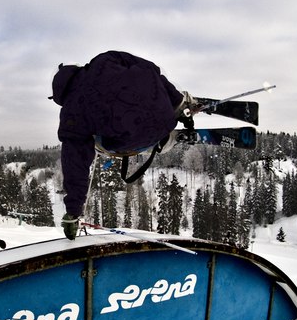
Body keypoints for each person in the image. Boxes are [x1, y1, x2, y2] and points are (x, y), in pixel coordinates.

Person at [50, 50, 196, 240]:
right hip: (165, 114)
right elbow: (151, 69)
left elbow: (75, 164)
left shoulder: (71, 112)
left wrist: (73, 212)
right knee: (145, 87)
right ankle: (179, 105)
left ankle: (164, 139)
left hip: (134, 140)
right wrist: (177, 101)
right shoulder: (105, 59)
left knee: (97, 143)